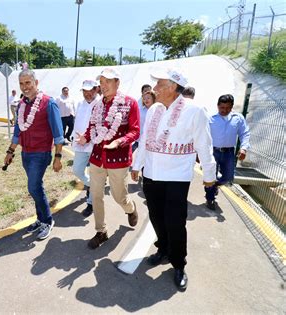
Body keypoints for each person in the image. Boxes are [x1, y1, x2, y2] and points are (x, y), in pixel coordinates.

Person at [131, 69, 216, 291]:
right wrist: (136, 165)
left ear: (172, 87)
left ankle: (178, 263)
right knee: (156, 217)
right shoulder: (154, 110)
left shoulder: (195, 111)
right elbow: (144, 139)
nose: (154, 89)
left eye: (159, 84)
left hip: (177, 177)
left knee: (175, 222)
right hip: (151, 174)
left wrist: (209, 175)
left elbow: (204, 145)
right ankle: (163, 249)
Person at [76, 68, 140, 250]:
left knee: (119, 196)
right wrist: (85, 138)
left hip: (118, 159)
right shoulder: (97, 105)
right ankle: (101, 231)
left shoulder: (130, 103)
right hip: (97, 158)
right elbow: (92, 127)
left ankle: (130, 208)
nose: (103, 86)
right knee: (95, 195)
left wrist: (119, 141)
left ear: (117, 83)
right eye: (101, 82)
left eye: (107, 82)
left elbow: (135, 131)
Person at [3, 69, 64, 240]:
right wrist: (10, 151)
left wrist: (58, 157)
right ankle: (40, 219)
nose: (25, 87)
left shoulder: (48, 103)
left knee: (33, 187)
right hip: (26, 154)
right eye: (22, 84)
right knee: (36, 187)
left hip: (41, 153)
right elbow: (17, 131)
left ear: (36, 83)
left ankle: (47, 221)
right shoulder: (22, 104)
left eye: (28, 83)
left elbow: (58, 134)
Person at [205, 94, 250, 210]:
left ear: (232, 107)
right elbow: (203, 136)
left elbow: (244, 134)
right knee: (210, 176)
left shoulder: (238, 118)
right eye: (222, 108)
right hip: (212, 152)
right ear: (218, 106)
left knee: (228, 177)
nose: (224, 110)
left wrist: (244, 148)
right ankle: (210, 198)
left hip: (229, 153)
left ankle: (215, 185)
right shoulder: (210, 118)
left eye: (227, 108)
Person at [71, 79, 101, 217]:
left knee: (95, 175)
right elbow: (76, 122)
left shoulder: (102, 104)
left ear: (96, 90)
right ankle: (92, 185)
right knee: (77, 170)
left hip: (96, 146)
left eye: (91, 91)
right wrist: (73, 137)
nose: (88, 94)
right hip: (80, 145)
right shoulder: (79, 104)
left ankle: (91, 203)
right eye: (85, 91)